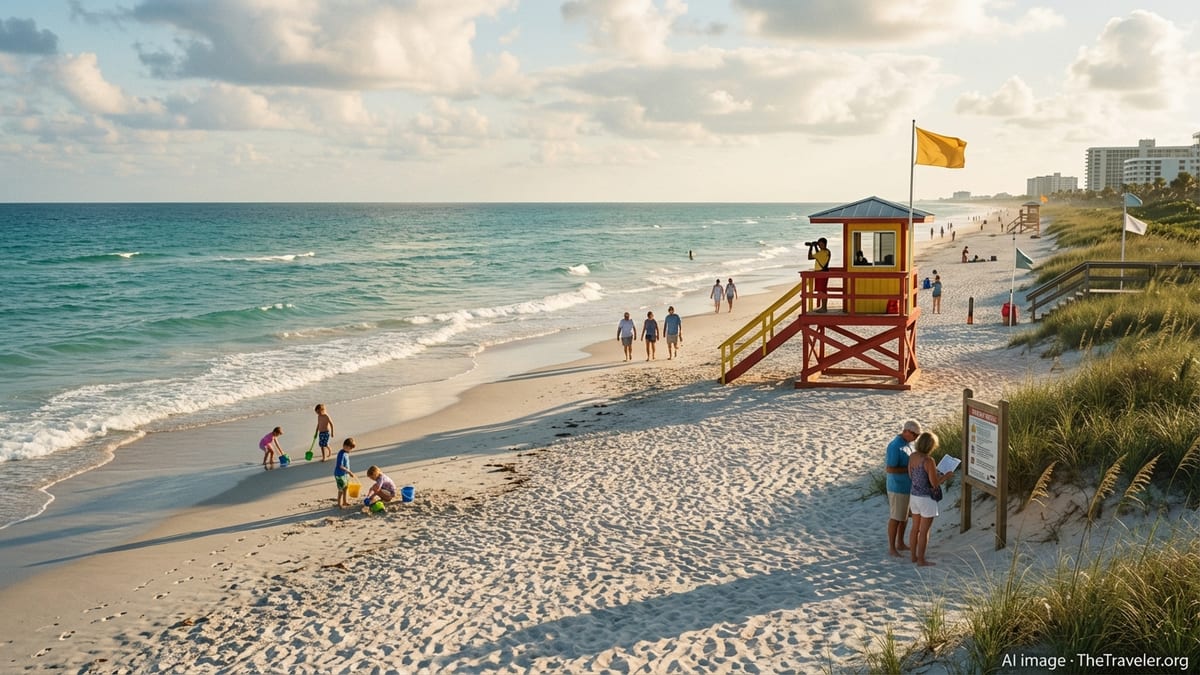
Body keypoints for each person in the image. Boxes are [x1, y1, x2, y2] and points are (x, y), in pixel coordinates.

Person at [908, 431, 954, 566]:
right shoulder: (928, 460)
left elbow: (911, 475)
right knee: (924, 531)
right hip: (926, 499)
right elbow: (934, 483)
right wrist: (946, 476)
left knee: (915, 528)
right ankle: (921, 560)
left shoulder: (912, 456)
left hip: (914, 495)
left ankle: (913, 556)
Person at [885, 419, 921, 557]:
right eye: (914, 435)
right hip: (897, 487)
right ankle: (892, 547)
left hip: (908, 486)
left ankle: (900, 542)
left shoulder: (909, 444)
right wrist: (909, 470)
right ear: (906, 431)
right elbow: (890, 468)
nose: (916, 438)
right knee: (896, 517)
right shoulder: (895, 446)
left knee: (904, 517)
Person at [807, 238, 831, 312]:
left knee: (821, 291)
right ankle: (823, 307)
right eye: (819, 245)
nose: (820, 246)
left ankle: (824, 308)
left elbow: (810, 257)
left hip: (821, 273)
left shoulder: (823, 252)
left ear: (825, 244)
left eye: (821, 244)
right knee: (822, 290)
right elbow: (818, 256)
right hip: (822, 272)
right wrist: (815, 246)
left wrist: (811, 247)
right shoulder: (826, 252)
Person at [334, 437, 358, 509]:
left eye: (351, 449)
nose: (350, 450)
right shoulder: (341, 454)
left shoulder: (346, 453)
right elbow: (340, 465)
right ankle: (339, 503)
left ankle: (344, 501)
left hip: (345, 474)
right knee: (341, 489)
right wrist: (349, 471)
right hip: (339, 474)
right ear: (344, 445)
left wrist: (347, 472)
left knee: (346, 487)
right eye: (349, 448)